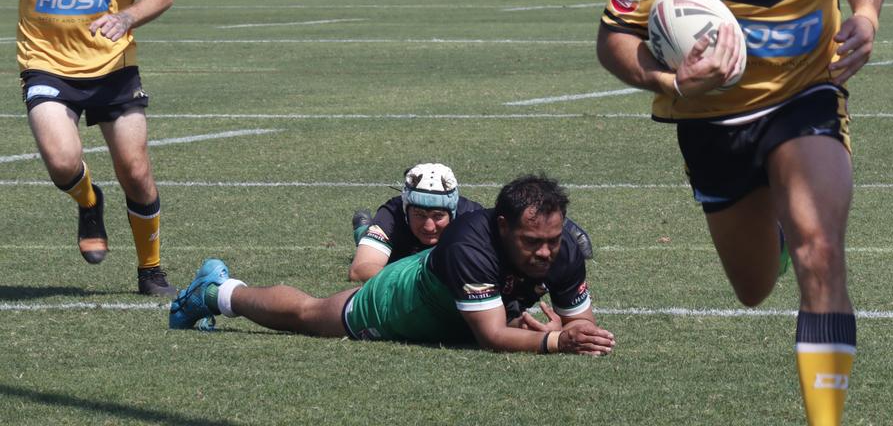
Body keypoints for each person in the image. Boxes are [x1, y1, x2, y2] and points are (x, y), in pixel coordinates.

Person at [596, 0, 885, 426]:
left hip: (805, 96)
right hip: (712, 122)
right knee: (754, 288)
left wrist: (865, 12)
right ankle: (778, 228)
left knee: (821, 249)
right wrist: (670, 82)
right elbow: (613, 39)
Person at [0, 0, 176, 296]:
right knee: (61, 163)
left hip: (112, 66)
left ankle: (151, 270)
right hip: (46, 62)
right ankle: (88, 200)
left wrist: (127, 16)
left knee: (137, 171)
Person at [169, 174, 615, 356]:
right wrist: (556, 341)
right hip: (400, 300)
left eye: (552, 241)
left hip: (459, 305)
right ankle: (216, 292)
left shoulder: (563, 248)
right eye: (532, 242)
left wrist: (574, 330)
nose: (545, 253)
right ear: (502, 228)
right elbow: (493, 336)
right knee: (308, 315)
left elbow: (583, 324)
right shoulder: (469, 246)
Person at [349, 162, 594, 282]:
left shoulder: (469, 216)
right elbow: (360, 270)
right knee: (370, 238)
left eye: (438, 216)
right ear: (406, 209)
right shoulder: (392, 215)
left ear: (453, 212)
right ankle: (363, 228)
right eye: (419, 215)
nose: (428, 227)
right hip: (401, 253)